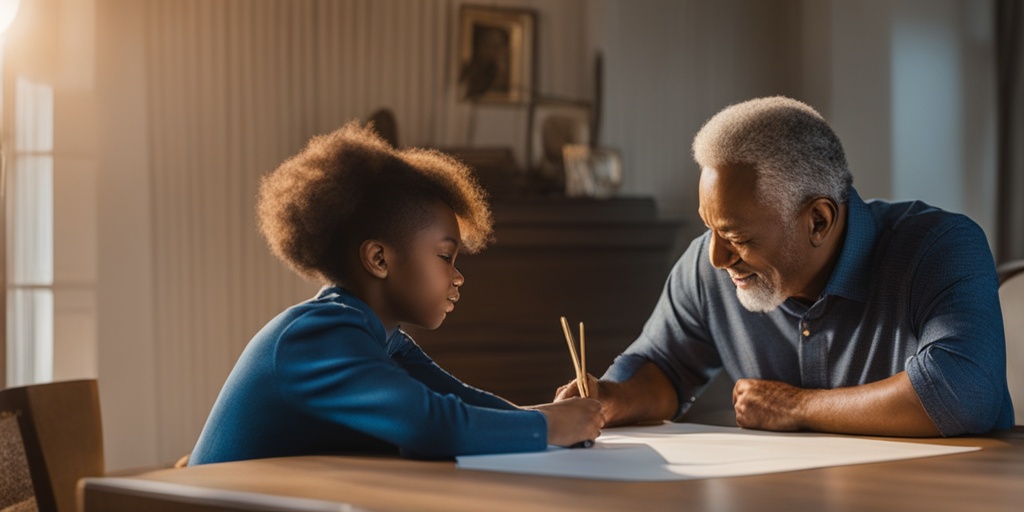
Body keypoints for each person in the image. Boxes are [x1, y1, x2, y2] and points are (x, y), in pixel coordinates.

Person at [556, 96, 1014, 437]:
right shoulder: (709, 264)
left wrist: (798, 407)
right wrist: (609, 399)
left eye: (738, 238)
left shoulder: (940, 247)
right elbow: (663, 367)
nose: (716, 257)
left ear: (818, 219)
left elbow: (963, 393)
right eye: (709, 229)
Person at [189, 122, 602, 465]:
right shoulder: (318, 335)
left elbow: (457, 402)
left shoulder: (382, 339)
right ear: (379, 260)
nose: (458, 278)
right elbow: (432, 426)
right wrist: (550, 427)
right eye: (445, 256)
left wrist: (553, 416)